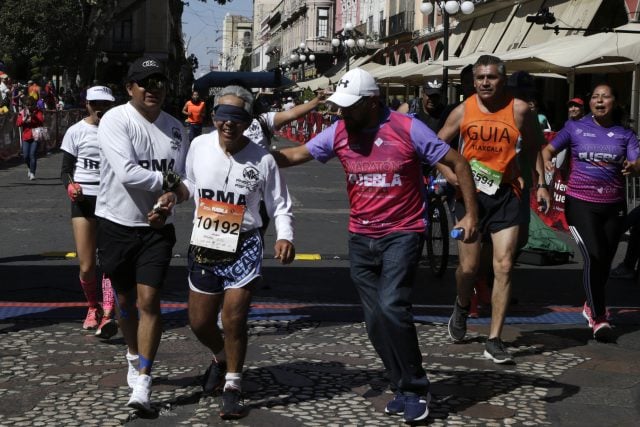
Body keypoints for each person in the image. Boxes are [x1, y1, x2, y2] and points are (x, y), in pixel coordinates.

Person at [271, 68, 479, 423]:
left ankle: (415, 387)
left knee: (392, 306)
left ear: (372, 103)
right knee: (374, 320)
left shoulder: (407, 127)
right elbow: (294, 156)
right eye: (340, 107)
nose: (342, 113)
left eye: (350, 107)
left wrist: (470, 215)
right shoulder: (339, 131)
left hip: (403, 231)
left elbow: (457, 162)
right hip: (361, 237)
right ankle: (400, 384)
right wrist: (249, 155)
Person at [183, 85, 295, 420]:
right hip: (205, 240)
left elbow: (280, 204)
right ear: (214, 116)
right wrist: (171, 196)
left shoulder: (262, 159)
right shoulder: (199, 146)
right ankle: (219, 356)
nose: (229, 124)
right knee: (200, 321)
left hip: (244, 243)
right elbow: (189, 183)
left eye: (238, 117)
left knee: (233, 318)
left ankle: (233, 384)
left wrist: (284, 236)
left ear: (248, 121)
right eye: (223, 116)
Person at [437, 55, 551, 364]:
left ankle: (494, 338)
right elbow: (433, 145)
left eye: (492, 77)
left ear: (503, 79)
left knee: (503, 265)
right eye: (481, 78)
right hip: (469, 196)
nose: (486, 82)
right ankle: (462, 304)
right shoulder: (463, 110)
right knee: (469, 269)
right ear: (473, 82)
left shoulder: (520, 110)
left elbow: (533, 148)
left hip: (508, 193)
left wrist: (541, 184)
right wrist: (448, 173)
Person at [95, 56, 189, 413]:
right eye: (145, 83)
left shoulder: (177, 129)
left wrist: (169, 200)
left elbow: (183, 179)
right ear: (129, 88)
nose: (153, 89)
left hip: (157, 229)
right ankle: (133, 354)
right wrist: (170, 185)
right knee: (125, 302)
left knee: (149, 302)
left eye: (159, 83)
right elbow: (128, 173)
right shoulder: (115, 120)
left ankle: (144, 382)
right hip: (116, 223)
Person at [542, 81, 640, 341]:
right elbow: (547, 150)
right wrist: (546, 173)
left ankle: (590, 303)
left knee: (605, 263)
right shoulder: (575, 128)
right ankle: (598, 317)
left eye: (605, 97)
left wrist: (634, 166)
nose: (599, 101)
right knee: (593, 257)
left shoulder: (625, 134)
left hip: (613, 206)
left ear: (615, 102)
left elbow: (636, 160)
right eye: (595, 96)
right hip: (580, 203)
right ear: (589, 102)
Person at [60, 85, 118, 338]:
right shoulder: (76, 131)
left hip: (111, 200)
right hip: (83, 201)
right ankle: (92, 307)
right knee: (86, 265)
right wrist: (70, 186)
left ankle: (108, 315)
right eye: (95, 103)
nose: (100, 108)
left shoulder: (118, 131)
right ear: (87, 104)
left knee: (109, 262)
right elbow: (65, 169)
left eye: (104, 104)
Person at [16, 96, 44, 181]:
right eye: (27, 105)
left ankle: (32, 172)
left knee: (32, 154)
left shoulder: (38, 112)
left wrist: (33, 117)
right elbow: (18, 123)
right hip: (26, 136)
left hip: (35, 135)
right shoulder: (22, 112)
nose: (29, 106)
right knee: (26, 156)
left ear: (35, 104)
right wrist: (24, 120)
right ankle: (29, 167)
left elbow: (41, 121)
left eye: (31, 105)